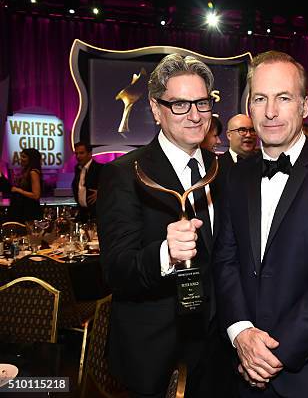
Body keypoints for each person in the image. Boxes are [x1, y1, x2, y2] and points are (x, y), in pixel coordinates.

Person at [213, 51, 308, 398]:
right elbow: (226, 259)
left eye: (283, 98)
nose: (270, 111)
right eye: (260, 99)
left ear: (304, 106)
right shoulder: (235, 177)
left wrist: (272, 355)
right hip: (242, 365)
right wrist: (241, 333)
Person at [97, 53, 232, 398]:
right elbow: (116, 271)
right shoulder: (125, 174)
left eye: (201, 102)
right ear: (156, 110)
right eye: (179, 104)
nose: (194, 114)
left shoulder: (223, 172)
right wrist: (165, 253)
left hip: (217, 349)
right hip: (156, 355)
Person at [3, 148, 43, 222]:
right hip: (21, 209)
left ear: (31, 159)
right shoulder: (25, 171)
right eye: (21, 156)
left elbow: (36, 195)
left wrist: (18, 190)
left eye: (24, 157)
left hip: (28, 211)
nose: (21, 159)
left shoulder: (33, 172)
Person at [71, 141, 101, 222]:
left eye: (81, 153)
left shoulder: (99, 168)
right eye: (76, 153)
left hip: (97, 215)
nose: (78, 156)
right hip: (82, 214)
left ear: (90, 154)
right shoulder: (77, 168)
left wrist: (102, 191)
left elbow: (114, 186)